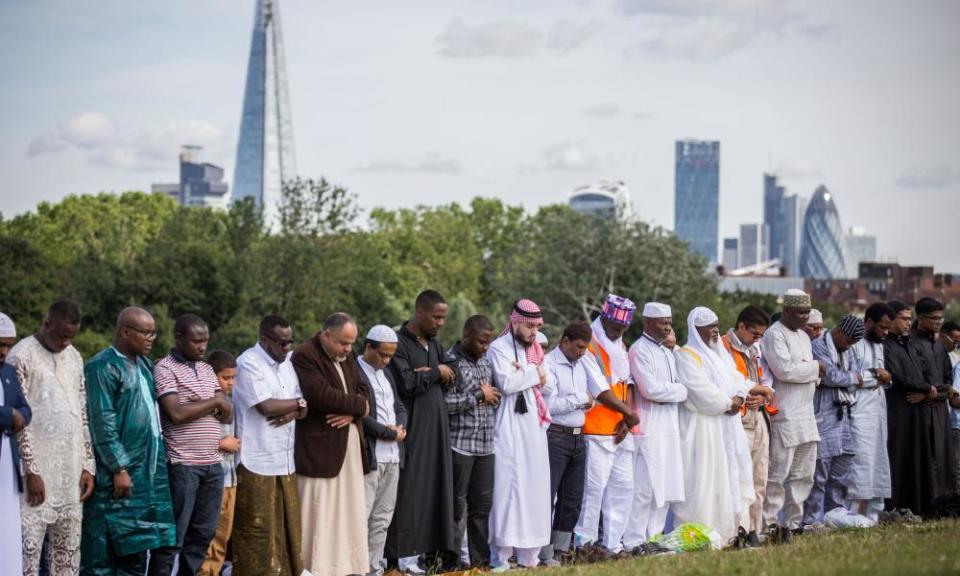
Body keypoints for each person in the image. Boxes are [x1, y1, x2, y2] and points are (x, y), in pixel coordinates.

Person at [81, 307, 176, 575]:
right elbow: (102, 422)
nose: (151, 338)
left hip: (146, 475)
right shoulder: (102, 366)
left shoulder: (145, 365)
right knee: (102, 554)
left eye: (153, 333)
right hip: (117, 476)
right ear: (125, 332)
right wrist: (118, 467)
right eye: (146, 333)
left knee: (136, 554)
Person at [8, 301, 94, 576]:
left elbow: (82, 413)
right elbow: (18, 422)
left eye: (71, 337)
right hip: (36, 477)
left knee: (68, 558)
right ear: (46, 325)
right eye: (61, 336)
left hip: (71, 472)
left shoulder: (75, 357)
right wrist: (31, 471)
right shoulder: (21, 356)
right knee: (26, 556)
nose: (66, 343)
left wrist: (87, 465)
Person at [150, 314, 232, 576]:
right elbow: (176, 413)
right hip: (183, 465)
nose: (202, 347)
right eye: (196, 341)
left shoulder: (207, 369)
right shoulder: (164, 368)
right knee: (172, 538)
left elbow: (227, 412)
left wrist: (199, 403)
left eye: (205, 341)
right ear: (179, 338)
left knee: (203, 535)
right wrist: (212, 402)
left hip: (212, 465)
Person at [293, 312, 371, 576]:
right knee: (319, 512)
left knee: (348, 510)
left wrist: (354, 412)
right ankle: (315, 568)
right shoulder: (304, 355)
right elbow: (321, 396)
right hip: (319, 451)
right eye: (343, 343)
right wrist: (361, 406)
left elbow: (364, 389)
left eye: (351, 344)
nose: (349, 349)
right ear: (326, 335)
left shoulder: (346, 354)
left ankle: (345, 567)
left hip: (348, 446)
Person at [385, 290, 457, 574]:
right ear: (420, 313)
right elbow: (406, 382)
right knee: (410, 493)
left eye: (443, 318)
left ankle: (430, 555)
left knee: (434, 492)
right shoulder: (398, 343)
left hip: (437, 432)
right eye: (436, 317)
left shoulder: (434, 344)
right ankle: (402, 559)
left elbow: (454, 372)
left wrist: (432, 371)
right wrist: (434, 374)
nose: (441, 323)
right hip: (412, 431)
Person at [674, 307, 757, 543]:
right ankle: (701, 535)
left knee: (733, 477)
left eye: (716, 325)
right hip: (703, 429)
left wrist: (738, 398)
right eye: (709, 326)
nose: (715, 330)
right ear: (696, 329)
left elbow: (737, 379)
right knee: (705, 482)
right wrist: (727, 402)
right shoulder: (687, 355)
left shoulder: (720, 353)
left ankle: (733, 533)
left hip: (729, 427)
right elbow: (699, 391)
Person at [233, 315, 306, 576]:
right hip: (256, 458)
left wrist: (297, 407)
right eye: (281, 343)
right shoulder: (248, 363)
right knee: (258, 529)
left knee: (287, 525)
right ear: (264, 339)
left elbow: (303, 406)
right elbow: (266, 406)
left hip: (284, 458)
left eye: (290, 342)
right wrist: (297, 405)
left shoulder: (286, 365)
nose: (287, 348)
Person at [486, 299, 552, 570]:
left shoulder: (535, 350)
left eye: (536, 326)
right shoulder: (498, 348)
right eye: (528, 326)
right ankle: (500, 557)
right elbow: (507, 383)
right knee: (507, 490)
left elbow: (549, 384)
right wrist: (534, 373)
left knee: (535, 490)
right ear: (514, 322)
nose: (533, 332)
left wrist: (529, 372)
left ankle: (529, 557)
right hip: (508, 427)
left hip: (534, 432)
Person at [574, 295, 641, 556]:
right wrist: (628, 414)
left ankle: (613, 545)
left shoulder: (619, 344)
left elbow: (627, 383)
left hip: (621, 430)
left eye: (623, 329)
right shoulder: (589, 344)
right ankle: (584, 545)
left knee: (622, 489)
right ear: (604, 319)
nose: (619, 332)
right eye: (615, 327)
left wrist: (626, 418)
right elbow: (600, 390)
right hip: (596, 429)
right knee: (592, 492)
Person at [759, 290, 825, 543]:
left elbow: (802, 371)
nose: (805, 317)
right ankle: (769, 526)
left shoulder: (803, 336)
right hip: (784, 415)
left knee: (803, 474)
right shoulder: (774, 334)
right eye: (800, 312)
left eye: (807, 312)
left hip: (807, 415)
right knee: (778, 475)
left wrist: (812, 371)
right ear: (786, 310)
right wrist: (817, 368)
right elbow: (784, 370)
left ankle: (792, 525)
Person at [624, 302, 687, 552]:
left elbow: (676, 389)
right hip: (648, 430)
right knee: (644, 489)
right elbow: (649, 390)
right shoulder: (639, 350)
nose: (668, 326)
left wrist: (673, 392)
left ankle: (655, 538)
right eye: (663, 322)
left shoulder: (667, 352)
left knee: (666, 487)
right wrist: (678, 391)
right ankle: (634, 542)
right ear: (648, 323)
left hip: (669, 428)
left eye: (669, 322)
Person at [540, 320, 595, 565]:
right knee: (548, 495)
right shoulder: (550, 364)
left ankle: (561, 552)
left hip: (578, 436)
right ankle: (543, 552)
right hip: (556, 436)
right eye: (578, 347)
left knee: (572, 498)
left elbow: (595, 396)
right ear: (565, 341)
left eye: (584, 348)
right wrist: (581, 399)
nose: (581, 352)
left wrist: (583, 401)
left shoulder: (583, 363)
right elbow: (549, 406)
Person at [445, 316, 498, 568]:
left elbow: (493, 395)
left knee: (481, 509)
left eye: (488, 342)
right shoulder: (450, 361)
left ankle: (480, 563)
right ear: (466, 336)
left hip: (486, 447)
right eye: (481, 342)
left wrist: (490, 397)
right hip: (460, 446)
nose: (485, 347)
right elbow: (443, 404)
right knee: (456, 509)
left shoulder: (486, 362)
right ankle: (451, 562)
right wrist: (478, 396)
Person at [803, 315, 865, 527]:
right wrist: (851, 378)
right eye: (848, 341)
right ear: (839, 332)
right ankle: (810, 522)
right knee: (818, 475)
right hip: (824, 415)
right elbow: (830, 377)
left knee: (841, 474)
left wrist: (849, 379)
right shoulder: (818, 346)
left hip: (847, 417)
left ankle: (835, 517)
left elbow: (856, 378)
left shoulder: (851, 349)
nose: (850, 347)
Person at [720, 305, 772, 546]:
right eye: (755, 333)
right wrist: (751, 390)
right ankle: (737, 531)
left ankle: (756, 530)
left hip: (759, 416)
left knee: (760, 478)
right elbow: (727, 380)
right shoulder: (722, 346)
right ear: (741, 327)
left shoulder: (755, 349)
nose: (758, 338)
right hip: (738, 420)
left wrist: (762, 396)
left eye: (761, 335)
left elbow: (766, 381)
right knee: (739, 479)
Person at [358, 325, 407, 576]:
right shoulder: (355, 371)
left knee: (383, 518)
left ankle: (374, 569)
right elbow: (360, 416)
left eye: (390, 356)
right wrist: (388, 433)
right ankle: (355, 569)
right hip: (370, 456)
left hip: (392, 455)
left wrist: (401, 427)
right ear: (368, 347)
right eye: (382, 355)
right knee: (362, 517)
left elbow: (399, 404)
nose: (386, 360)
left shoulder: (386, 373)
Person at [905, 298, 956, 512]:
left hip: (939, 412)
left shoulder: (939, 347)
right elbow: (915, 382)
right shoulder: (910, 344)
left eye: (940, 318)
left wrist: (931, 394)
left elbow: (948, 385)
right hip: (919, 414)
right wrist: (930, 392)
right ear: (921, 318)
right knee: (923, 461)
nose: (938, 322)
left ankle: (945, 506)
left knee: (944, 462)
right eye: (934, 318)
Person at [846, 303, 894, 522]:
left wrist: (884, 377)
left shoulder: (879, 345)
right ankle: (852, 516)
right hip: (858, 414)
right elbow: (848, 376)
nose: (885, 332)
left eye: (888, 329)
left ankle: (873, 515)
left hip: (878, 413)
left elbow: (887, 379)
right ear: (869, 322)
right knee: (860, 465)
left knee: (879, 464)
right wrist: (876, 375)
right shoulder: (853, 344)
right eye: (882, 327)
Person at [199, 351, 241, 576]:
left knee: (223, 536)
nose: (230, 383)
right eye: (226, 378)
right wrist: (221, 443)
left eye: (233, 378)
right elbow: (191, 438)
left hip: (230, 478)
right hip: (211, 479)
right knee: (208, 535)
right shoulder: (201, 402)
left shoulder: (230, 402)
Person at [1, 311, 31, 576]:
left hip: (7, 461)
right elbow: (11, 412)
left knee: (7, 528)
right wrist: (7, 415)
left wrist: (19, 415)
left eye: (8, 344)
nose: (4, 350)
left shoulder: (8, 371)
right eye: (0, 344)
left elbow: (24, 408)